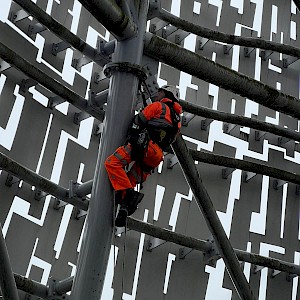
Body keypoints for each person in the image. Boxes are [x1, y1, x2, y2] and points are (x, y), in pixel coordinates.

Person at [105, 85, 182, 227]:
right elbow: (170, 140)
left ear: (166, 93)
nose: (157, 94)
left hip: (143, 145)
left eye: (160, 91)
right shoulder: (178, 122)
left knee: (112, 163)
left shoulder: (159, 106)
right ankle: (124, 208)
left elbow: (139, 120)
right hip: (156, 156)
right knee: (130, 180)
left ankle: (128, 197)